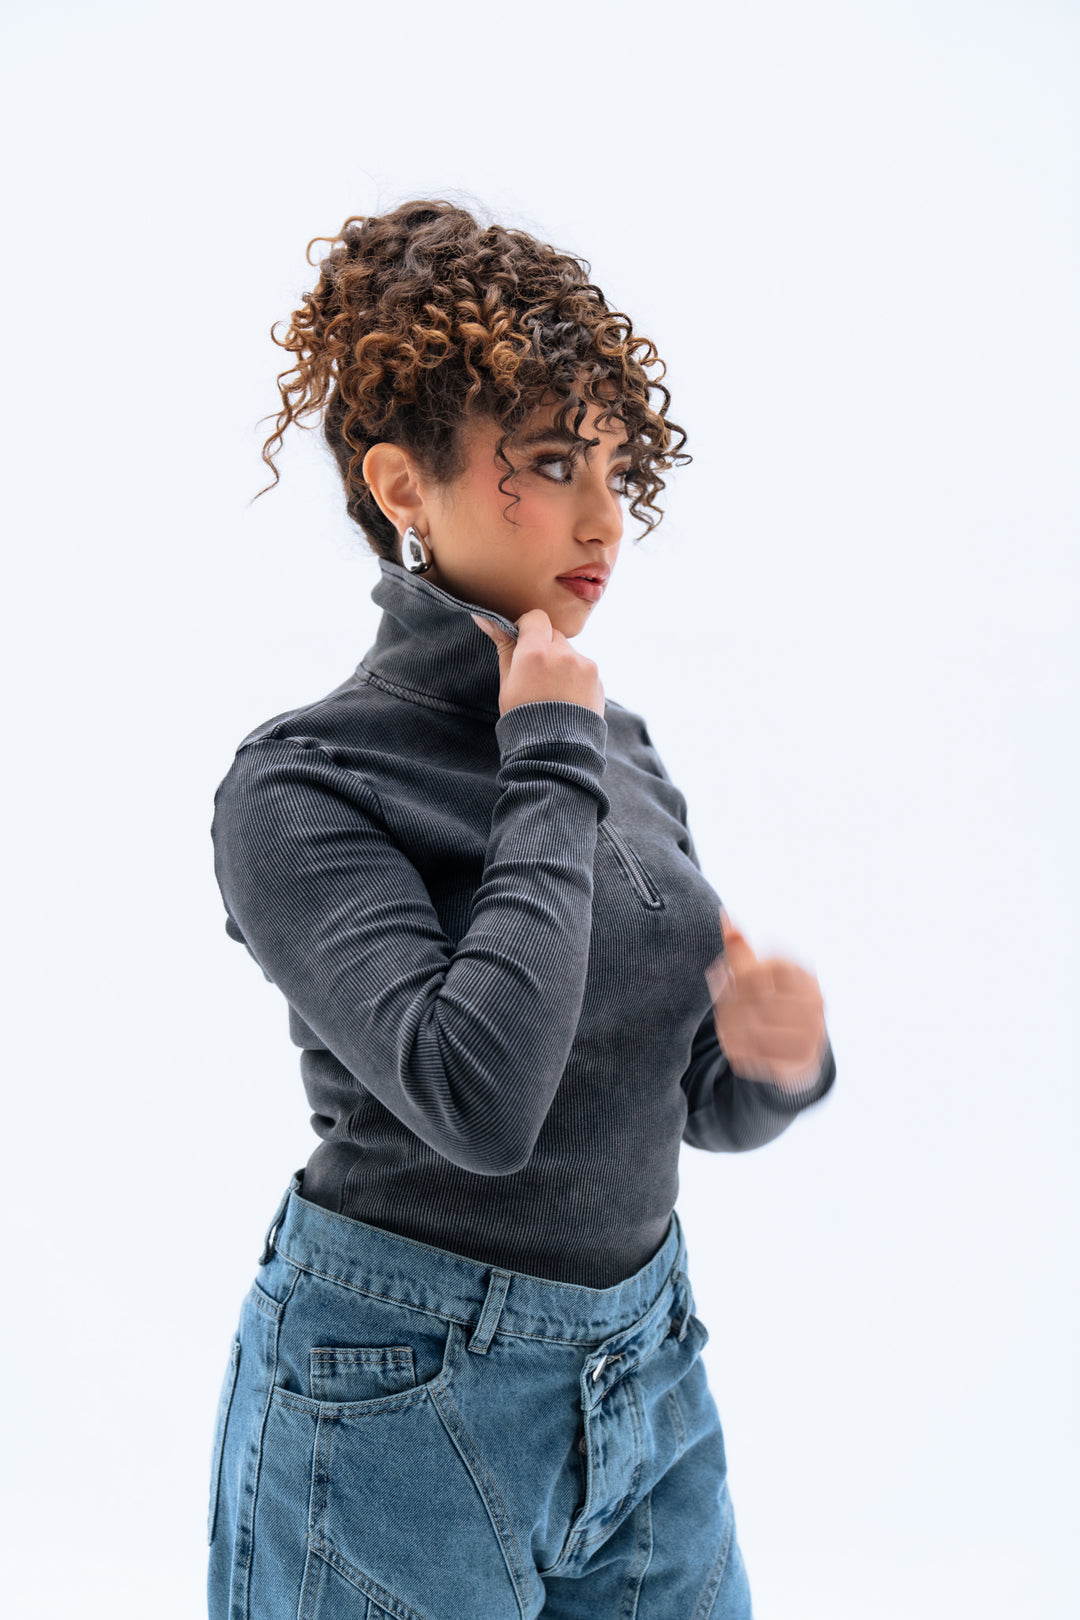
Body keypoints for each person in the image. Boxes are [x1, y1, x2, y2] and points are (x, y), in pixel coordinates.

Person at [205, 198, 837, 1620]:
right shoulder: (302, 785)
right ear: (402, 484)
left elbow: (666, 1099)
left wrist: (768, 1062)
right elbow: (481, 1100)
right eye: (550, 465)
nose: (605, 521)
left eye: (617, 470)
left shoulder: (616, 747)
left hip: (647, 1370)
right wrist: (546, 750)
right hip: (394, 1405)